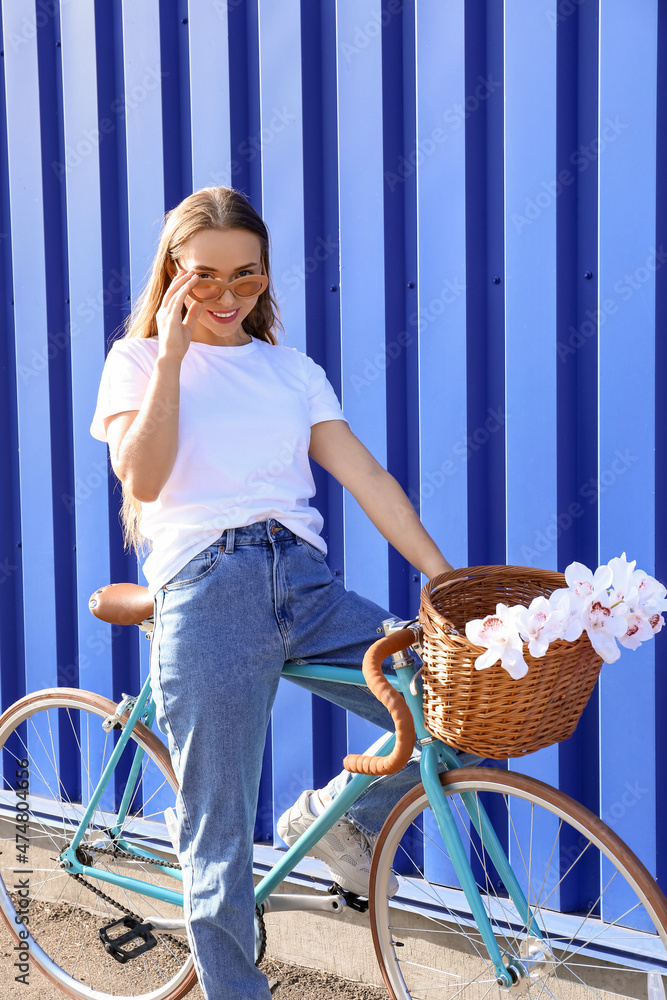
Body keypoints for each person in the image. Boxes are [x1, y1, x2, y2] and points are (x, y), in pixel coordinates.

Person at [89, 186, 460, 1000]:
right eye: (205, 278)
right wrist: (177, 356)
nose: (227, 296)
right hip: (206, 588)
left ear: (266, 274)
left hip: (306, 585)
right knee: (217, 834)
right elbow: (142, 477)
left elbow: (364, 475)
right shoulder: (140, 362)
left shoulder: (293, 372)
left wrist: (442, 579)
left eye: (246, 277)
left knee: (455, 710)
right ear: (173, 275)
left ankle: (335, 822)